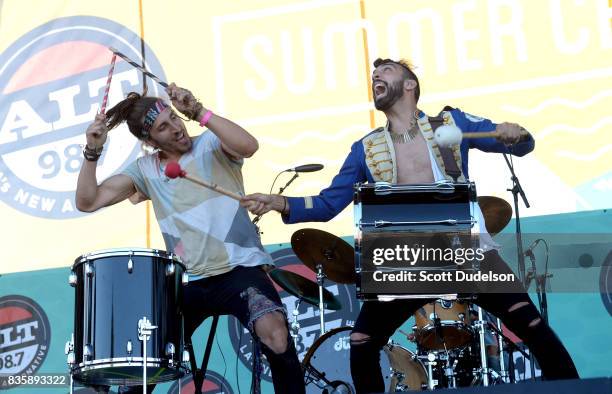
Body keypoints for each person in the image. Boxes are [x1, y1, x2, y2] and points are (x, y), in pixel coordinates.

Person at [241, 58, 579, 392]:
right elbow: (329, 203)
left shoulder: (452, 122)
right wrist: (279, 203)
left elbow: (523, 144)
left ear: (409, 85)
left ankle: (577, 390)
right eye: (374, 73)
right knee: (362, 343)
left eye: (386, 71)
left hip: (465, 250)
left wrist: (515, 134)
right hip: (403, 259)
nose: (376, 75)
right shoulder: (365, 148)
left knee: (532, 325)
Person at [76, 83, 305, 394]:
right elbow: (87, 201)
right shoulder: (145, 171)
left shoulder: (212, 143)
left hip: (239, 269)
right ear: (148, 140)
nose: (175, 129)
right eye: (163, 127)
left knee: (277, 336)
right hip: (187, 283)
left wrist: (198, 111)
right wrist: (93, 151)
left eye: (174, 118)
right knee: (143, 360)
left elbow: (249, 146)